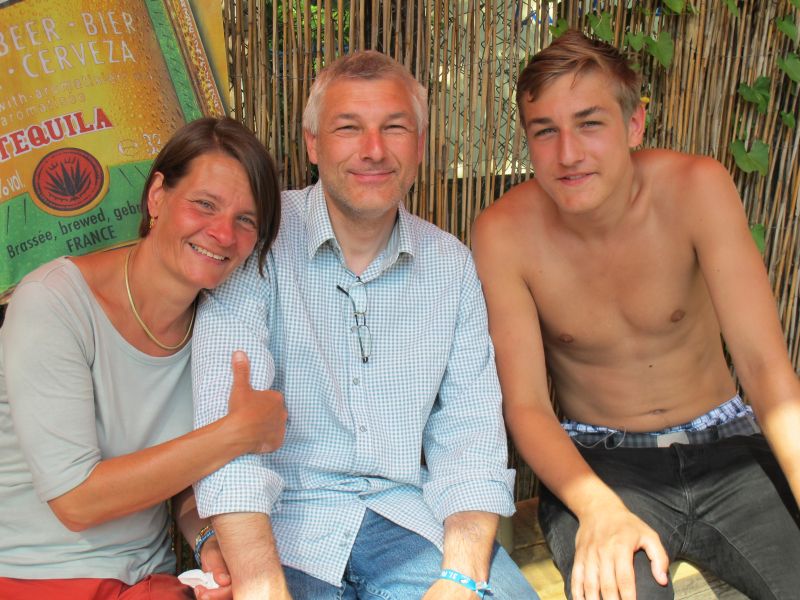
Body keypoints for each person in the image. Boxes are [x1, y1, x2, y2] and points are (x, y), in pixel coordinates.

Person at [192, 51, 539, 599]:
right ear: (313, 144)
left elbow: (470, 436)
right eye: (348, 128)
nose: (373, 150)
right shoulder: (256, 242)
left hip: (406, 524)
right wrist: (260, 585)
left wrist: (459, 576)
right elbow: (226, 439)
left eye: (394, 128)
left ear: (419, 146)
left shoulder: (450, 266)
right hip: (280, 529)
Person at [472, 29, 800, 600]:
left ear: (634, 124)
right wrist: (597, 508)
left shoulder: (697, 188)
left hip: (730, 448)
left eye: (590, 123)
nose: (568, 153)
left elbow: (764, 367)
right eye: (545, 131)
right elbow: (526, 404)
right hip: (603, 466)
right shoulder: (504, 233)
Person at [0, 117, 287, 600]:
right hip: (32, 576)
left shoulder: (217, 326)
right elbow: (76, 501)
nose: (223, 232)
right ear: (157, 196)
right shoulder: (53, 303)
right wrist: (237, 433)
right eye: (205, 204)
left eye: (246, 220)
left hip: (149, 581)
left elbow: (179, 480)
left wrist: (209, 542)